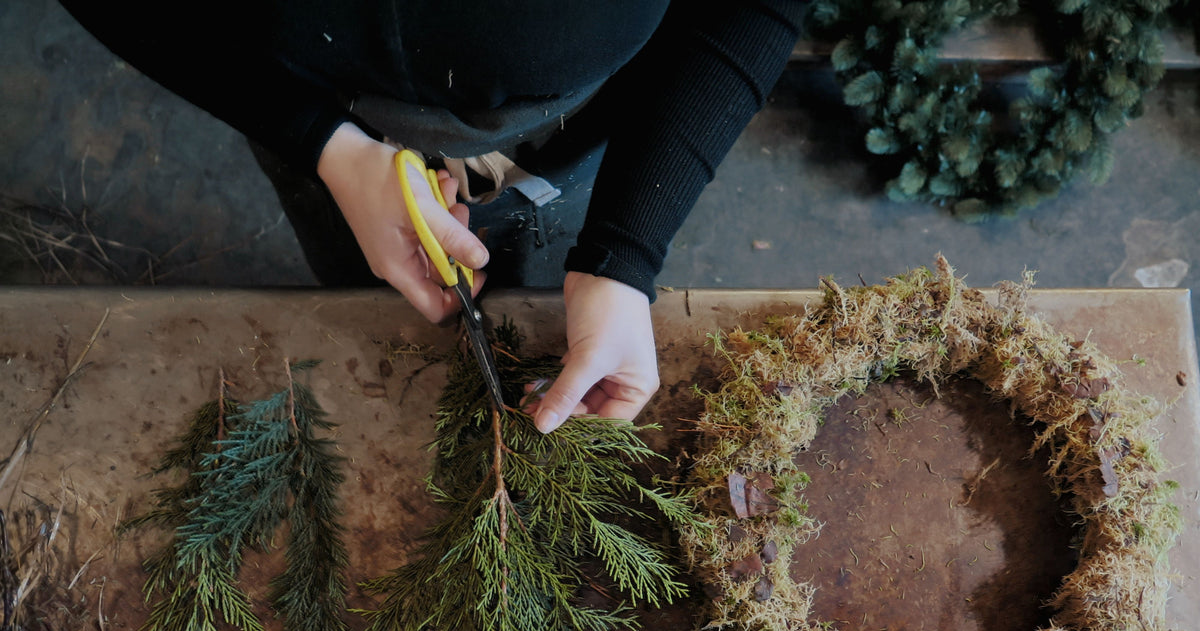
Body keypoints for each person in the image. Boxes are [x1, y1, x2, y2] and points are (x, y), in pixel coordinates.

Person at [59, 0, 805, 432]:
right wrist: (328, 148)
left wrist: (624, 250)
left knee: (540, 256)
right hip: (307, 101)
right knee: (360, 276)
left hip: (582, 117)